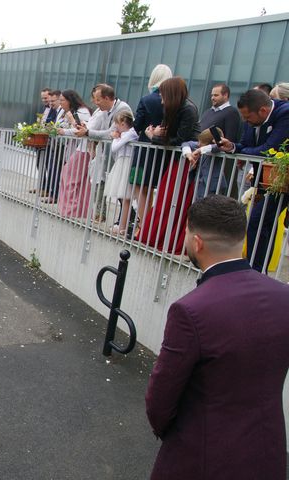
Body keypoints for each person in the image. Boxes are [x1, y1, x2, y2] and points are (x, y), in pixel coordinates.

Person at [146, 194, 289, 480]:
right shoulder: (284, 297)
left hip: (202, 455)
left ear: (197, 242)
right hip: (268, 450)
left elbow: (160, 400)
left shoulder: (190, 310)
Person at [218, 88, 289, 272]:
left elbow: (269, 150)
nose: (245, 121)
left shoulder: (285, 113)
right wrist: (232, 146)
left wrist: (240, 150)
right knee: (263, 223)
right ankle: (258, 270)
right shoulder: (252, 117)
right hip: (263, 182)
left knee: (258, 221)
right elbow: (248, 146)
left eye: (248, 117)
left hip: (280, 182)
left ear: (263, 111)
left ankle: (255, 271)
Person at [138, 77, 200, 255]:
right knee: (166, 200)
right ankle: (155, 235)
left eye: (163, 94)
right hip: (177, 160)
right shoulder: (175, 108)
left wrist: (154, 137)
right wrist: (157, 135)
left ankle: (166, 238)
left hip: (187, 161)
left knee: (173, 201)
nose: (161, 98)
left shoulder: (188, 109)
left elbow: (180, 140)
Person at [74, 84, 132, 220]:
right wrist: (86, 129)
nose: (95, 103)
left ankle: (128, 219)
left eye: (97, 99)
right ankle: (115, 218)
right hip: (108, 154)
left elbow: (110, 133)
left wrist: (88, 132)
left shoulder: (122, 108)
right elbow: (106, 132)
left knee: (120, 190)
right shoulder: (106, 110)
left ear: (107, 98)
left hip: (120, 155)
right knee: (109, 186)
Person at [131, 64, 173, 235]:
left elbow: (137, 125)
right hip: (164, 151)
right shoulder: (173, 100)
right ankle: (152, 227)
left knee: (141, 189)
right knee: (158, 189)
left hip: (145, 150)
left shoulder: (147, 99)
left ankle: (142, 226)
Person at [55, 89, 93, 215]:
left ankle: (70, 209)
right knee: (80, 180)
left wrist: (65, 130)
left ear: (69, 100)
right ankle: (77, 210)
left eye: (62, 100)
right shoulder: (73, 111)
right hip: (80, 148)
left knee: (69, 176)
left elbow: (82, 129)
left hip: (84, 149)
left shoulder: (82, 112)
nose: (60, 103)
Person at [104, 111, 139, 234]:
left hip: (126, 164)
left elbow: (114, 148)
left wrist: (115, 138)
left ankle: (123, 226)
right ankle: (123, 224)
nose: (116, 127)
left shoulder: (130, 134)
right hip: (122, 163)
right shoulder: (126, 134)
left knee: (125, 197)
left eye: (117, 124)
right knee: (123, 197)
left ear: (123, 123)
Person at [182, 127, 227, 200]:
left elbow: (218, 146)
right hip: (199, 184)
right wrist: (188, 154)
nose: (198, 144)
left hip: (213, 186)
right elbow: (185, 143)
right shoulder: (201, 145)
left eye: (201, 143)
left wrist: (200, 150)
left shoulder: (219, 148)